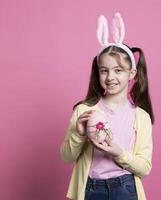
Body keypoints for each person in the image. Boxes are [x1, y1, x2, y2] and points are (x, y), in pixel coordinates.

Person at [60, 12, 155, 200]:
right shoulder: (84, 111)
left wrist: (119, 153)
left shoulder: (141, 117)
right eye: (104, 71)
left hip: (126, 188)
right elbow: (66, 157)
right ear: (99, 73)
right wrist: (79, 133)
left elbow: (144, 168)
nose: (110, 77)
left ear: (132, 73)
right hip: (91, 189)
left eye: (118, 70)